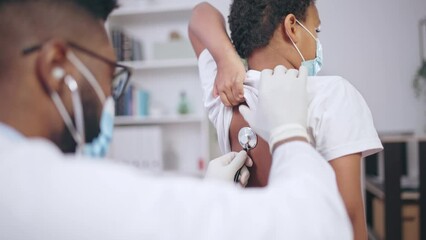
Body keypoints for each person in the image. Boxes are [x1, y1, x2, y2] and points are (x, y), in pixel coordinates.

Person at [0, 0, 352, 239]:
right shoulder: (56, 198)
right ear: (56, 69)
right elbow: (319, 226)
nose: (111, 95)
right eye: (110, 76)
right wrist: (290, 134)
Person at [188, 1, 383, 239]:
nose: (317, 41)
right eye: (316, 29)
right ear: (292, 27)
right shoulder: (332, 95)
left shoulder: (227, 95)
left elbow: (199, 16)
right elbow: (348, 218)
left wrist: (225, 59)